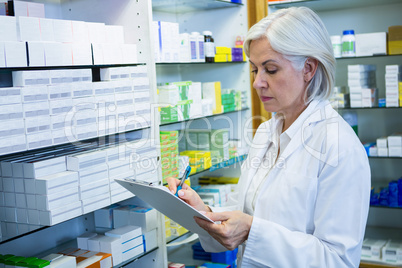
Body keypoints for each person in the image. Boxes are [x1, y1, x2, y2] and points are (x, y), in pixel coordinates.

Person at [167, 6, 370, 268]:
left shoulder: (340, 146)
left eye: (270, 70)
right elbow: (237, 222)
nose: (257, 83)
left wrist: (253, 231)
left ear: (308, 68)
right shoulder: (265, 132)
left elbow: (338, 261)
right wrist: (201, 212)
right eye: (254, 70)